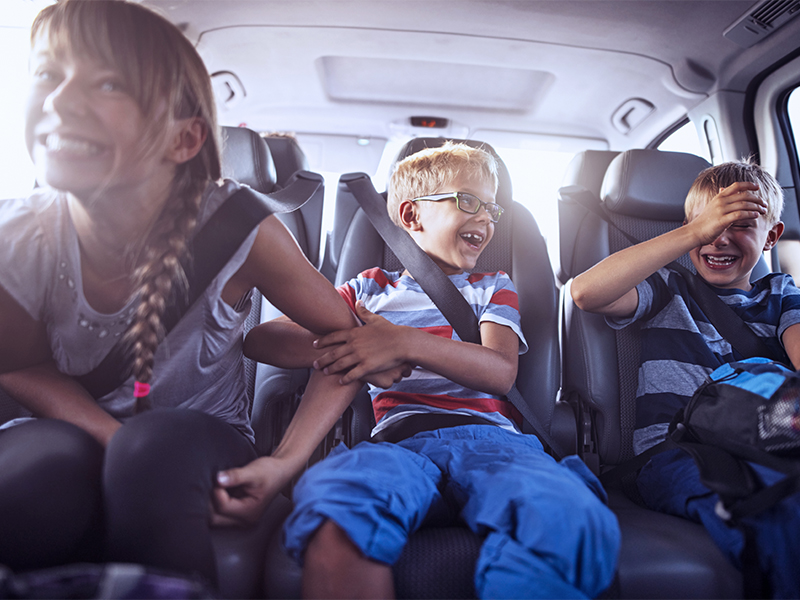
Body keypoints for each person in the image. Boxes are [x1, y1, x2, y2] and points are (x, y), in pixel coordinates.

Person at [0, 0, 385, 589]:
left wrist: (283, 464)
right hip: (72, 424)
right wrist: (113, 437)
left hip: (201, 435)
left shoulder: (241, 230)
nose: (58, 100)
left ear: (183, 140)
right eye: (48, 74)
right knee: (32, 475)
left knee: (153, 451)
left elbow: (350, 342)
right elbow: (23, 365)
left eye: (107, 82)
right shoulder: (16, 234)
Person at [214, 142, 621, 599]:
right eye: (469, 202)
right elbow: (260, 340)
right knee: (335, 500)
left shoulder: (493, 287)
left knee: (568, 513)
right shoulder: (367, 290)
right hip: (397, 443)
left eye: (493, 209)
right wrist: (353, 339)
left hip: (492, 441)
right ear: (411, 216)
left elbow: (500, 372)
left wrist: (402, 341)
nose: (487, 219)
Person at [571, 159, 800, 597]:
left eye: (741, 225)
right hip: (674, 452)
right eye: (711, 225)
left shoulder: (783, 296)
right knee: (770, 509)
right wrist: (693, 232)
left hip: (766, 442)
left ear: (772, 236)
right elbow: (585, 293)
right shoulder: (668, 287)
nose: (721, 238)